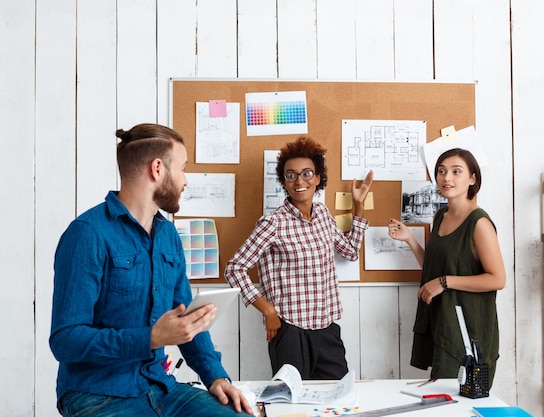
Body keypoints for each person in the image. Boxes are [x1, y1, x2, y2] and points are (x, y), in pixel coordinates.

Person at [49, 123, 253, 417]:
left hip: (161, 389)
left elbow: (186, 321)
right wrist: (151, 338)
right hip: (96, 395)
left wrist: (216, 376)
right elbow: (65, 341)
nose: (185, 181)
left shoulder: (168, 235)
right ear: (157, 169)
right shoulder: (87, 234)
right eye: (182, 168)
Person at [224, 136, 374, 380]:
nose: (299, 181)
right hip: (289, 330)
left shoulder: (324, 215)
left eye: (306, 173)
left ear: (317, 178)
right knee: (290, 405)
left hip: (326, 328)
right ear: (284, 181)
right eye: (290, 175)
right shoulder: (273, 223)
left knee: (338, 397)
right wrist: (268, 311)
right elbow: (234, 269)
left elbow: (350, 252)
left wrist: (358, 206)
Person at [387, 147, 505, 388]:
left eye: (456, 171)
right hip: (442, 322)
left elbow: (497, 279)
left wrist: (445, 282)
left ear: (472, 178)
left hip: (468, 329)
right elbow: (433, 269)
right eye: (441, 171)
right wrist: (410, 239)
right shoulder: (440, 216)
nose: (446, 177)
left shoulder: (479, 222)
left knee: (462, 401)